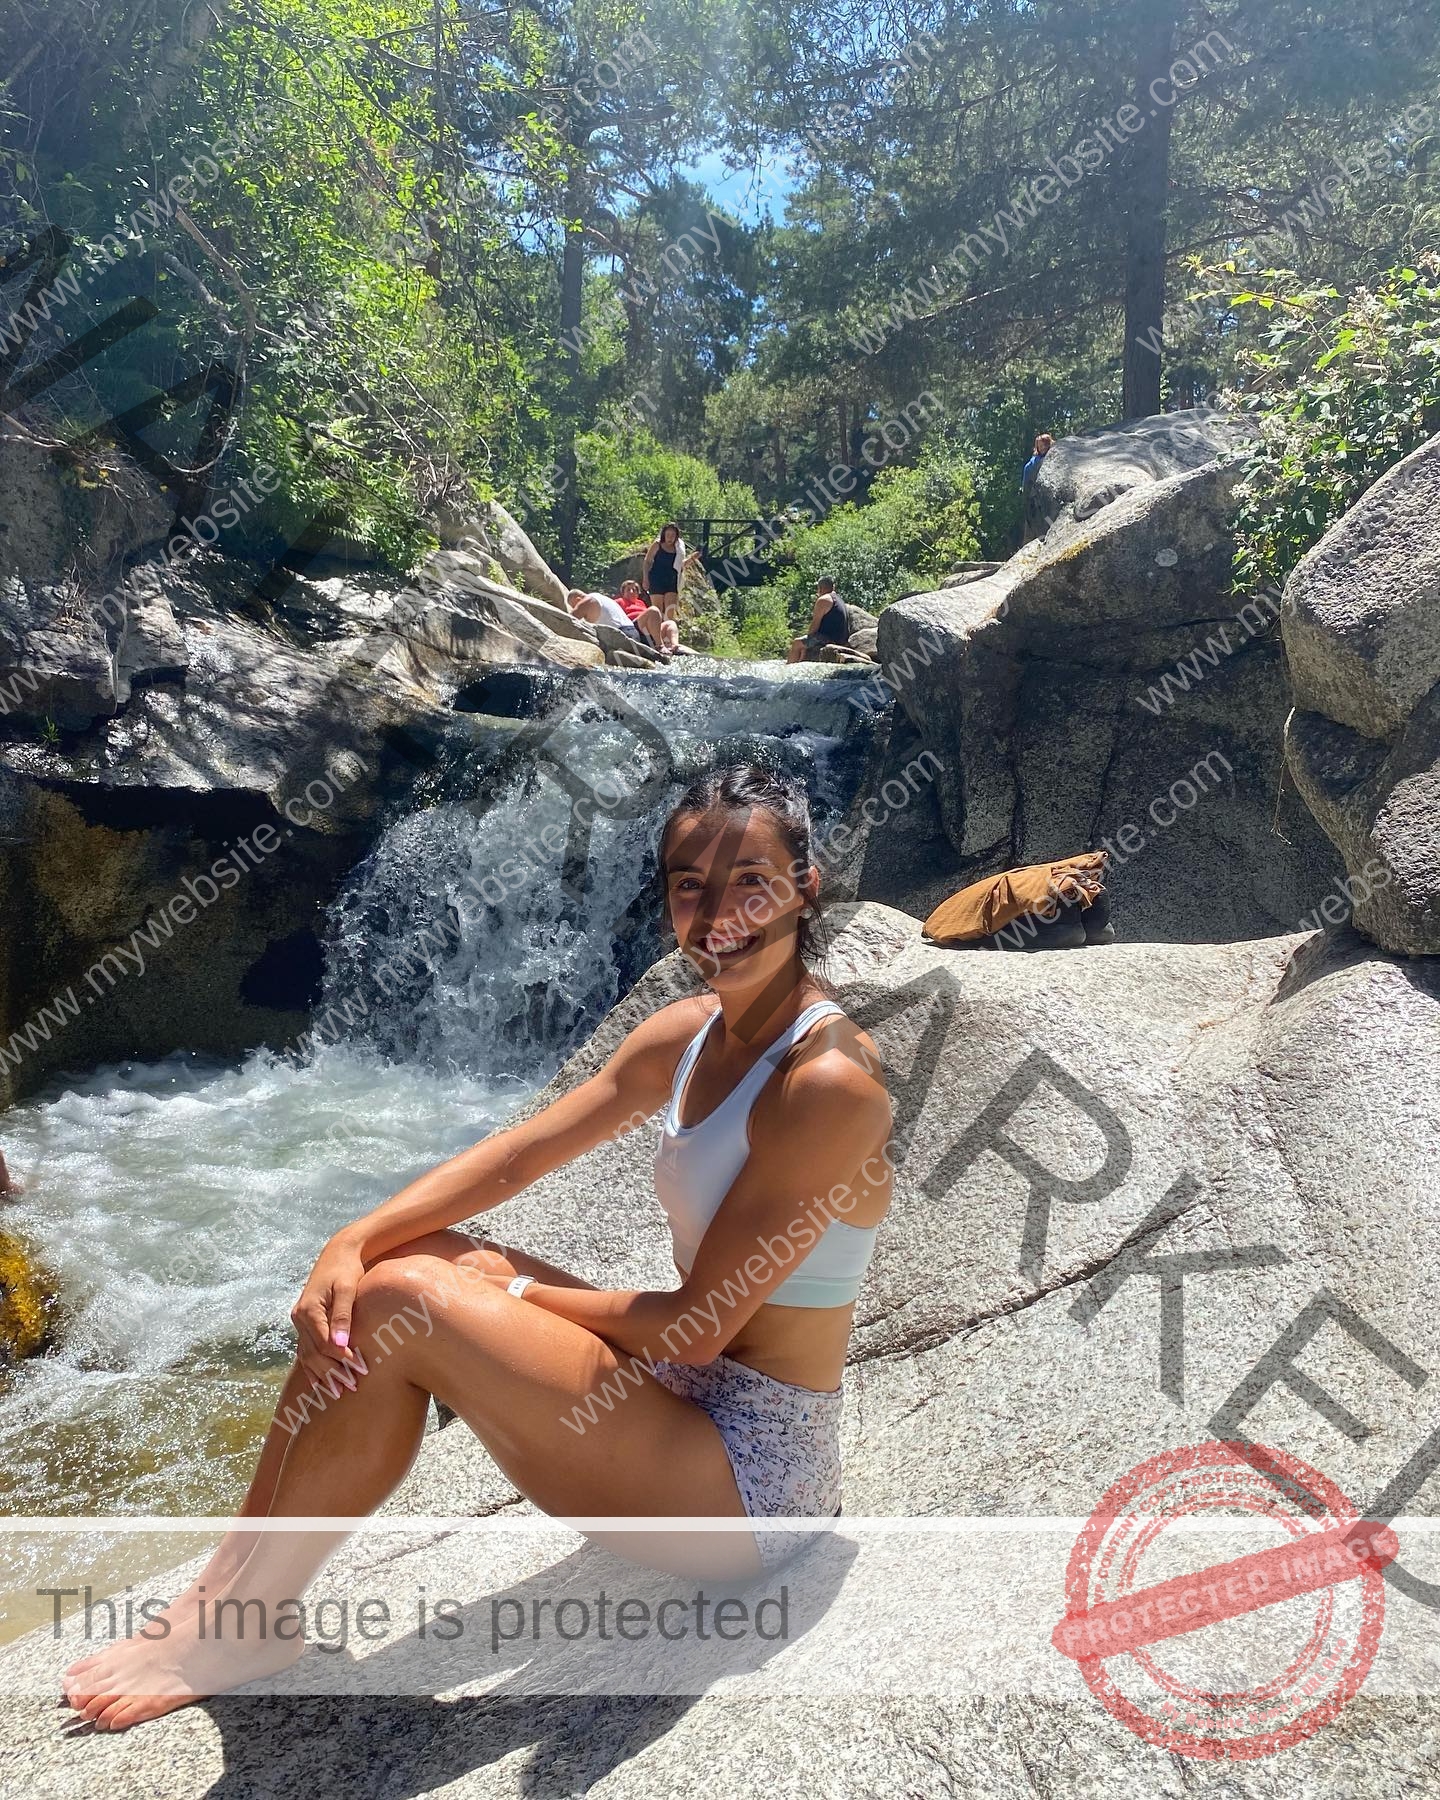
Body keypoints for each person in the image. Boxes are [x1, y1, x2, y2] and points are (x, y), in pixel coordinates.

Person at [60, 762, 894, 1731]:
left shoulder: (826, 1082)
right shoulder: (691, 1035)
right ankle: (226, 1593)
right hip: (682, 1403)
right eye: (689, 889)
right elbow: (513, 1159)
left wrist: (526, 1295)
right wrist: (350, 1236)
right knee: (374, 1275)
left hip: (754, 1478)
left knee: (401, 1305)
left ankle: (249, 1618)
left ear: (807, 885)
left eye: (751, 881)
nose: (719, 917)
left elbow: (699, 1329)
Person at [566, 585, 679, 656]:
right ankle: (662, 645)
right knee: (654, 611)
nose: (576, 607)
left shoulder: (587, 600)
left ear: (578, 599)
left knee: (655, 612)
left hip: (623, 634)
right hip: (633, 630)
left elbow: (569, 620)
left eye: (574, 605)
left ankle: (662, 645)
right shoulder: (604, 598)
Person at [640, 522, 701, 621]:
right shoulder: (657, 545)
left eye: (673, 535)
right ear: (664, 534)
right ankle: (656, 633)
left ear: (676, 536)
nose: (670, 538)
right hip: (656, 578)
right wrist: (645, 578)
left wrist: (693, 558)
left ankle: (667, 632)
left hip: (672, 580)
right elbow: (647, 561)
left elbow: (680, 565)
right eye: (668, 535)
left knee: (670, 610)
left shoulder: (679, 549)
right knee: (657, 609)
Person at [786, 575, 851, 664]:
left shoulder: (823, 600)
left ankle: (789, 668)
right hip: (842, 639)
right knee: (803, 644)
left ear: (820, 588)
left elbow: (814, 627)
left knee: (797, 643)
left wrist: (807, 642)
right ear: (833, 587)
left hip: (829, 639)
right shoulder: (839, 599)